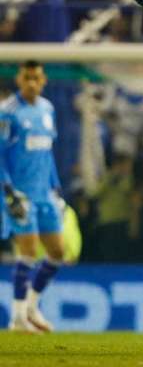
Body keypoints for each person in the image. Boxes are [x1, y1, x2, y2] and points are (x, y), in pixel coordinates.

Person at [0, 60, 64, 333]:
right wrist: (9, 192)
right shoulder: (8, 113)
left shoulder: (48, 109)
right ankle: (16, 319)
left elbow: (47, 154)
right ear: (19, 80)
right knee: (28, 250)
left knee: (57, 252)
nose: (31, 83)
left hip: (45, 194)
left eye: (36, 78)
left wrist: (56, 187)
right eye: (27, 78)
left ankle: (31, 307)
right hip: (19, 194)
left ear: (44, 80)